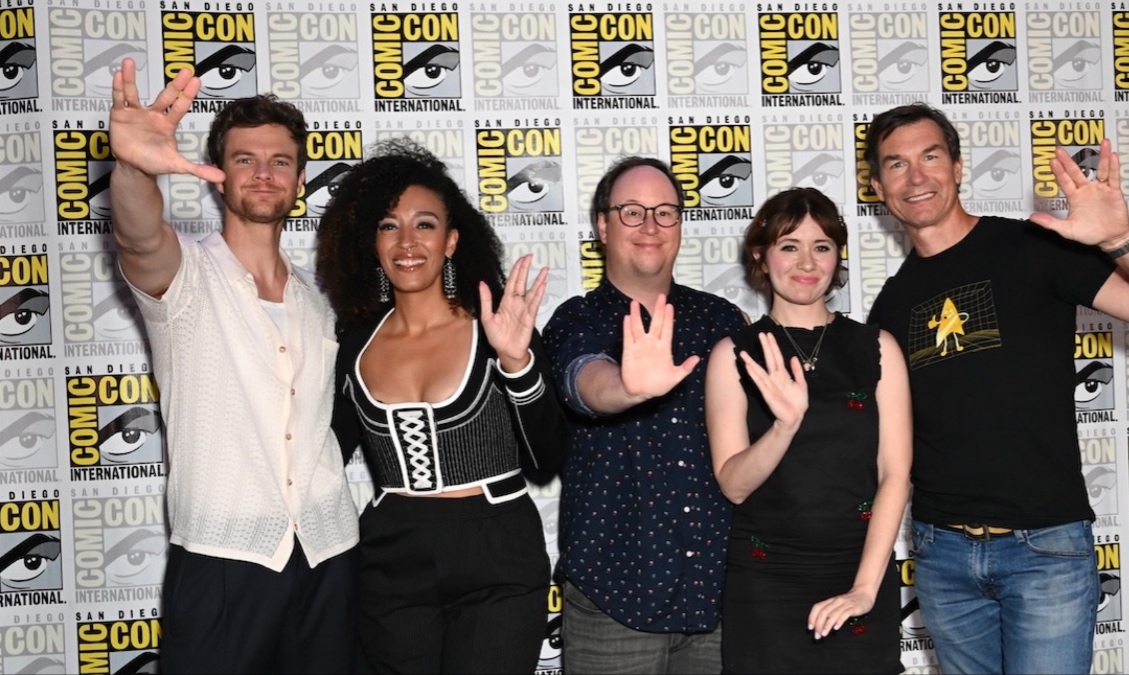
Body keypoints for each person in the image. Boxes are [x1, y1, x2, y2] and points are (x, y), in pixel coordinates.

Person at [864, 103, 1129, 674]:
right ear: (878, 187)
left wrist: (1121, 241)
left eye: (930, 157)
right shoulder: (890, 306)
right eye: (896, 165)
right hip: (941, 554)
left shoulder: (1031, 247)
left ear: (958, 166)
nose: (916, 177)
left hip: (1045, 549)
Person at [108, 59, 359, 672]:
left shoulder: (320, 296)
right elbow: (140, 237)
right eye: (245, 159)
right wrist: (135, 166)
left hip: (330, 553)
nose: (264, 173)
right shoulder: (185, 275)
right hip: (222, 558)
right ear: (219, 176)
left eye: (281, 161)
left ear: (301, 180)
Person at [315, 140, 569, 673]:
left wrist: (518, 363)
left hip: (496, 544)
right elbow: (322, 460)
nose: (407, 242)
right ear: (372, 242)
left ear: (452, 240)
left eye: (424, 225)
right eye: (389, 226)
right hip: (392, 550)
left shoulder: (500, 327)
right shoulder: (353, 342)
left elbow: (548, 455)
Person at [542, 157, 746, 674]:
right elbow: (585, 382)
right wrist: (628, 386)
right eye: (631, 212)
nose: (651, 226)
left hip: (717, 595)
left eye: (665, 212)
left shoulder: (723, 320)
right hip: (614, 598)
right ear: (602, 226)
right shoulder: (577, 319)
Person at [706, 188, 910, 674]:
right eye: (789, 245)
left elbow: (895, 475)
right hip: (764, 583)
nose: (807, 262)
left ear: (837, 255)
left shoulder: (876, 347)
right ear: (761, 254)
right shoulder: (732, 354)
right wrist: (785, 425)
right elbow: (733, 485)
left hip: (859, 573)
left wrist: (864, 588)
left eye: (822, 246)